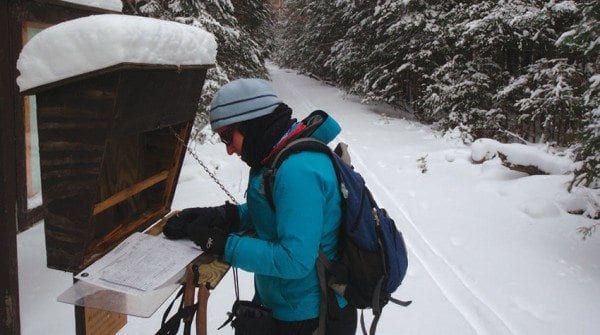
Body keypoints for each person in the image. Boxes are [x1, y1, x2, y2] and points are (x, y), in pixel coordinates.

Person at [163, 78, 357, 335]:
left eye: (228, 137)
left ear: (253, 124)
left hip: (312, 316)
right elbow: (276, 212)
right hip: (290, 304)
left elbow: (294, 260)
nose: (229, 150)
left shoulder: (297, 170)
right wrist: (224, 216)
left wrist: (223, 245)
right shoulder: (277, 156)